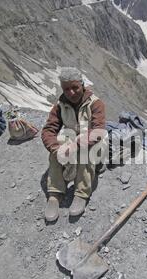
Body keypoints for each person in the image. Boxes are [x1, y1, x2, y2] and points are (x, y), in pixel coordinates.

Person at [41, 67, 106, 222]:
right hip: (73, 142)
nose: (70, 93)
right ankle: (55, 193)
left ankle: (81, 193)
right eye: (66, 89)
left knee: (86, 151)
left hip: (96, 146)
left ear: (82, 85)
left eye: (75, 87)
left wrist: (75, 146)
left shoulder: (95, 104)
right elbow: (49, 130)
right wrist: (56, 149)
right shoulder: (60, 105)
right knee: (56, 151)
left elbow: (97, 132)